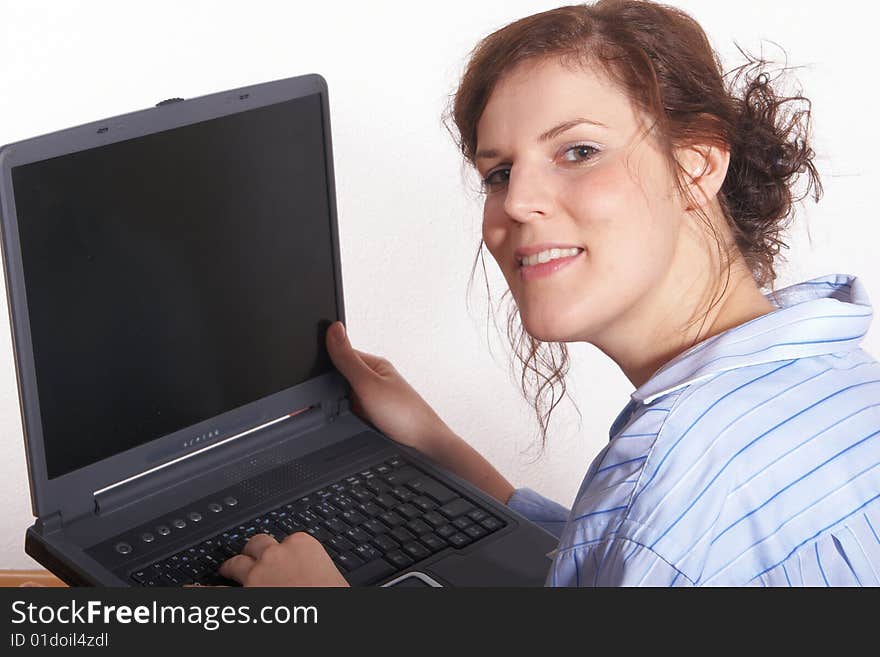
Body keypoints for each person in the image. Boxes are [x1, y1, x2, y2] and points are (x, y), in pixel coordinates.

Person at [216, 0, 880, 587]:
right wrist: (431, 440)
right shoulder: (840, 381)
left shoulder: (666, 502)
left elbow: (653, 542)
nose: (519, 202)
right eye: (499, 172)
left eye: (577, 151)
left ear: (697, 164)